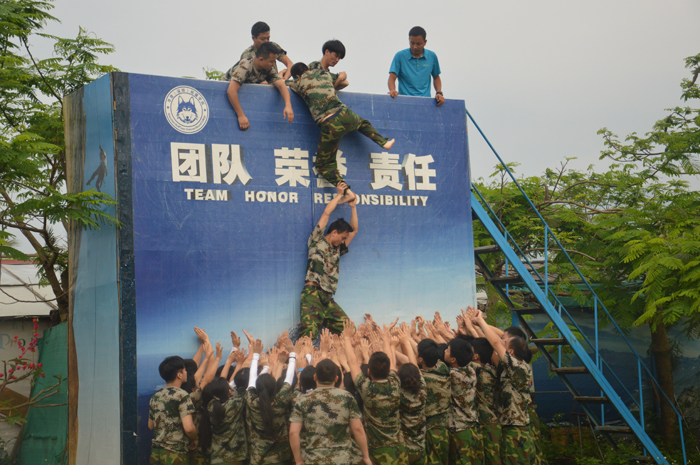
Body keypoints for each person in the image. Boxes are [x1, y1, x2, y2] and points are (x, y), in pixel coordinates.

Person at [288, 63, 394, 201]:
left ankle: (347, 192)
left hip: (329, 123)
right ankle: (383, 142)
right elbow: (345, 80)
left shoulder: (297, 81)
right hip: (345, 114)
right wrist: (336, 81)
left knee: (324, 164)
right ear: (308, 69)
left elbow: (278, 82)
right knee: (363, 123)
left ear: (297, 75)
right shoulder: (323, 74)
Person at [298, 182, 358, 339]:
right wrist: (339, 195)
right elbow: (326, 214)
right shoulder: (316, 240)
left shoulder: (337, 249)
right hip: (312, 295)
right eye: (342, 237)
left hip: (327, 299)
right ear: (335, 232)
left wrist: (353, 207)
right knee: (307, 336)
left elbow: (354, 230)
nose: (343, 241)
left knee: (350, 331)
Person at [474, 312, 535, 465]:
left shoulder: (518, 368)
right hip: (510, 428)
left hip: (516, 430)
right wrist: (474, 325)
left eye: (505, 345)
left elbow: (495, 343)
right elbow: (494, 342)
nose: (501, 345)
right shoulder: (512, 368)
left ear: (511, 353)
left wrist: (481, 321)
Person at [342, 321, 406, 464]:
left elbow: (352, 363)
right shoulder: (395, 383)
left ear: (368, 372)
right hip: (399, 447)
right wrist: (385, 339)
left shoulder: (366, 389)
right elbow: (391, 362)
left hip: (377, 450)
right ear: (389, 371)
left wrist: (346, 338)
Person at [289, 358, 373, 465]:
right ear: (336, 378)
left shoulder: (303, 400)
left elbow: (293, 432)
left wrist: (299, 460)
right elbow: (358, 429)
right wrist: (366, 457)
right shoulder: (347, 397)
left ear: (315, 377)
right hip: (343, 459)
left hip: (314, 460)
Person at [226, 42, 294, 130]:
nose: (273, 64)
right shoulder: (245, 66)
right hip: (227, 98)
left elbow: (281, 85)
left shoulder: (268, 68)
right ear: (261, 59)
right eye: (271, 61)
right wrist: (241, 116)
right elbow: (231, 91)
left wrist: (288, 105)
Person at [148, 356, 198, 465]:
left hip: (156, 454)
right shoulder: (183, 396)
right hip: (175, 455)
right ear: (179, 375)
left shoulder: (155, 396)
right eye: (185, 370)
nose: (186, 373)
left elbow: (151, 425)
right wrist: (195, 439)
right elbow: (189, 428)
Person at [444, 338, 483, 465]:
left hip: (460, 429)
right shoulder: (470, 370)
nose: (444, 351)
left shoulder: (452, 375)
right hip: (473, 426)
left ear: (453, 359)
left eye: (447, 350)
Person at [387, 26, 444, 106]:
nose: (415, 47)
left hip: (426, 102)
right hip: (404, 102)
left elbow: (436, 77)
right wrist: (392, 90)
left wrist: (439, 93)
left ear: (425, 42)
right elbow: (392, 77)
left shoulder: (432, 56)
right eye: (412, 43)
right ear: (409, 40)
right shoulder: (400, 56)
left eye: (418, 44)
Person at [416, 339, 450, 465]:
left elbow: (412, 366)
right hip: (444, 428)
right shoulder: (442, 367)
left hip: (431, 430)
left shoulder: (423, 378)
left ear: (420, 360)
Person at [224, 21, 294, 81]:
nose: (266, 41)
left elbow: (290, 64)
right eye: (263, 39)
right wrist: (279, 77)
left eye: (268, 38)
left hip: (275, 82)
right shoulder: (247, 55)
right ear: (254, 38)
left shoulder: (272, 47)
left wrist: (284, 79)